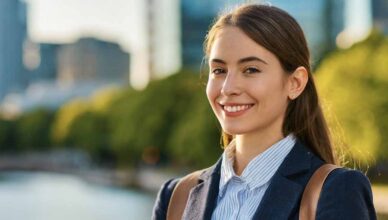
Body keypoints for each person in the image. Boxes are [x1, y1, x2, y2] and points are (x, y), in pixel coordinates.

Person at [152, 4, 377, 220]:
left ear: (295, 83)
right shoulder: (176, 197)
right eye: (219, 70)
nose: (228, 88)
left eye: (251, 69)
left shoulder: (337, 190)